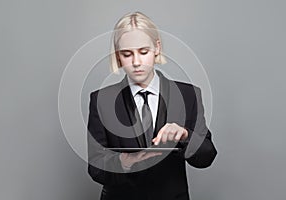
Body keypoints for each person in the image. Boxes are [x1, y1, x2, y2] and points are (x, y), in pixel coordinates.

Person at [87, 11, 217, 200]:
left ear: (157, 48)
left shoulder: (188, 95)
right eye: (127, 54)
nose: (136, 62)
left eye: (143, 51)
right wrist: (125, 161)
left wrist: (185, 135)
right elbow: (95, 167)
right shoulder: (102, 100)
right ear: (118, 56)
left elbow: (207, 156)